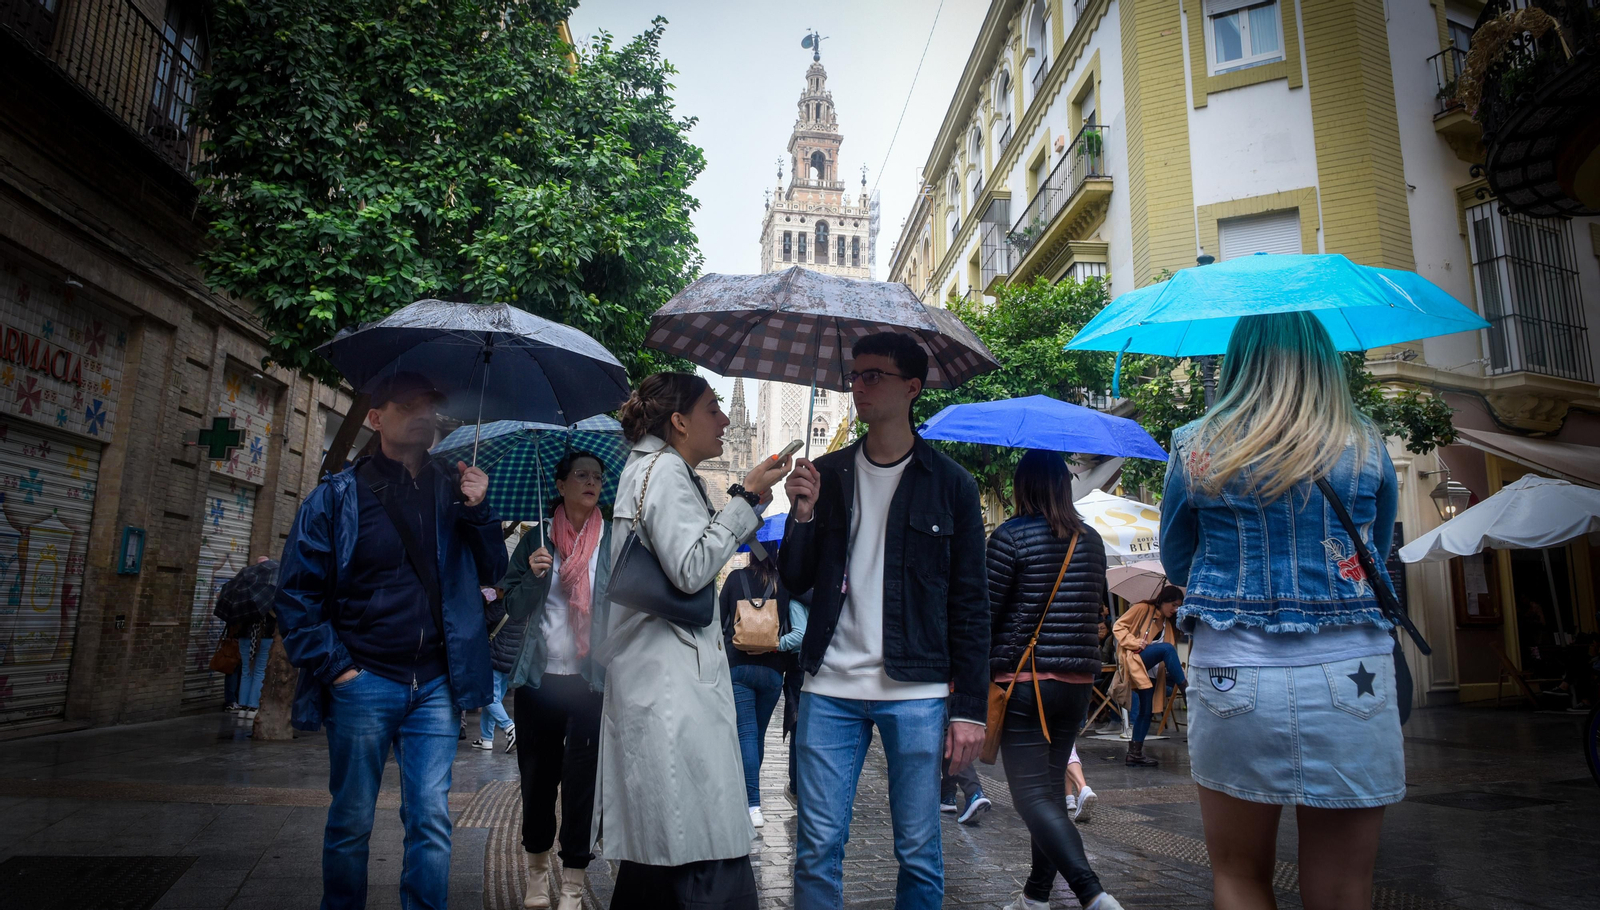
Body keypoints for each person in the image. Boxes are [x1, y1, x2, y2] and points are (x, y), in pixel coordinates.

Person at [1161, 312, 1404, 910]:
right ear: (1323, 358)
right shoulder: (1368, 442)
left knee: (1240, 875)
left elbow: (1176, 559)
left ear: (1241, 360)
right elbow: (1378, 549)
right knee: (1345, 886)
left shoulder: (1196, 444)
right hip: (1355, 674)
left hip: (1232, 671)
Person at [276, 371, 507, 910]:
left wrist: (480, 512)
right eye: (408, 406)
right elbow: (297, 593)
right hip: (363, 679)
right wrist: (337, 669)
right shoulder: (337, 497)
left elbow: (494, 575)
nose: (423, 415)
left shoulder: (455, 489)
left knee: (430, 818)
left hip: (434, 686)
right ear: (376, 418)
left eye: (429, 405)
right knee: (352, 819)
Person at [780, 332, 990, 910]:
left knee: (919, 850)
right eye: (855, 374)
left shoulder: (951, 484)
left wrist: (971, 707)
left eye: (874, 375)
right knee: (817, 847)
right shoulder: (828, 475)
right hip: (828, 686)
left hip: (916, 689)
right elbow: (794, 579)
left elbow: (971, 604)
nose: (858, 385)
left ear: (912, 388)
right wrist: (801, 513)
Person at [595, 373, 790, 910]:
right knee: (690, 839)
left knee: (665, 848)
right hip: (671, 688)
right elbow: (691, 566)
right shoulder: (664, 472)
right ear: (679, 422)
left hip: (663, 681)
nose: (724, 420)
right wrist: (747, 496)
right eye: (712, 409)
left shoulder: (656, 469)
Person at [986, 449, 1123, 910]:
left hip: (1025, 684)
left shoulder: (1009, 537)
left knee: (1032, 800)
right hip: (1077, 684)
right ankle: (1036, 897)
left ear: (1022, 487)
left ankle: (1093, 894)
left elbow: (988, 613)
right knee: (1048, 794)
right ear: (1064, 487)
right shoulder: (1092, 540)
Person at [491, 452, 614, 910]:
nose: (591, 482)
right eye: (581, 475)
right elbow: (513, 607)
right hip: (539, 682)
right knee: (537, 782)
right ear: (560, 485)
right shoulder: (535, 540)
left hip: (589, 683)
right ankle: (538, 874)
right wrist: (535, 577)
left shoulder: (612, 540)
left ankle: (574, 882)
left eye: (597, 477)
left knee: (582, 785)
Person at [719, 547, 807, 829]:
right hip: (772, 670)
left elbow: (717, 622)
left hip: (738, 668)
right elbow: (796, 629)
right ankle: (747, 799)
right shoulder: (784, 584)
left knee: (744, 735)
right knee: (756, 736)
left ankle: (751, 803)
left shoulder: (734, 579)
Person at [1112, 585, 1187, 767]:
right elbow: (1118, 626)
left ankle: (1135, 753)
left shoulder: (1169, 624)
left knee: (1146, 712)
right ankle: (1186, 691)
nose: (1175, 609)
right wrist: (1136, 641)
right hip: (1136, 661)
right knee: (1167, 648)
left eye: (1178, 606)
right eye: (1173, 604)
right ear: (1163, 600)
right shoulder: (1143, 608)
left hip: (1150, 673)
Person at [476, 585, 517, 752]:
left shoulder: (496, 607)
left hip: (494, 659)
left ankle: (510, 728)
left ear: (502, 590)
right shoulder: (519, 607)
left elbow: (480, 626)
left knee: (489, 698)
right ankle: (486, 738)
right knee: (496, 699)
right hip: (511, 661)